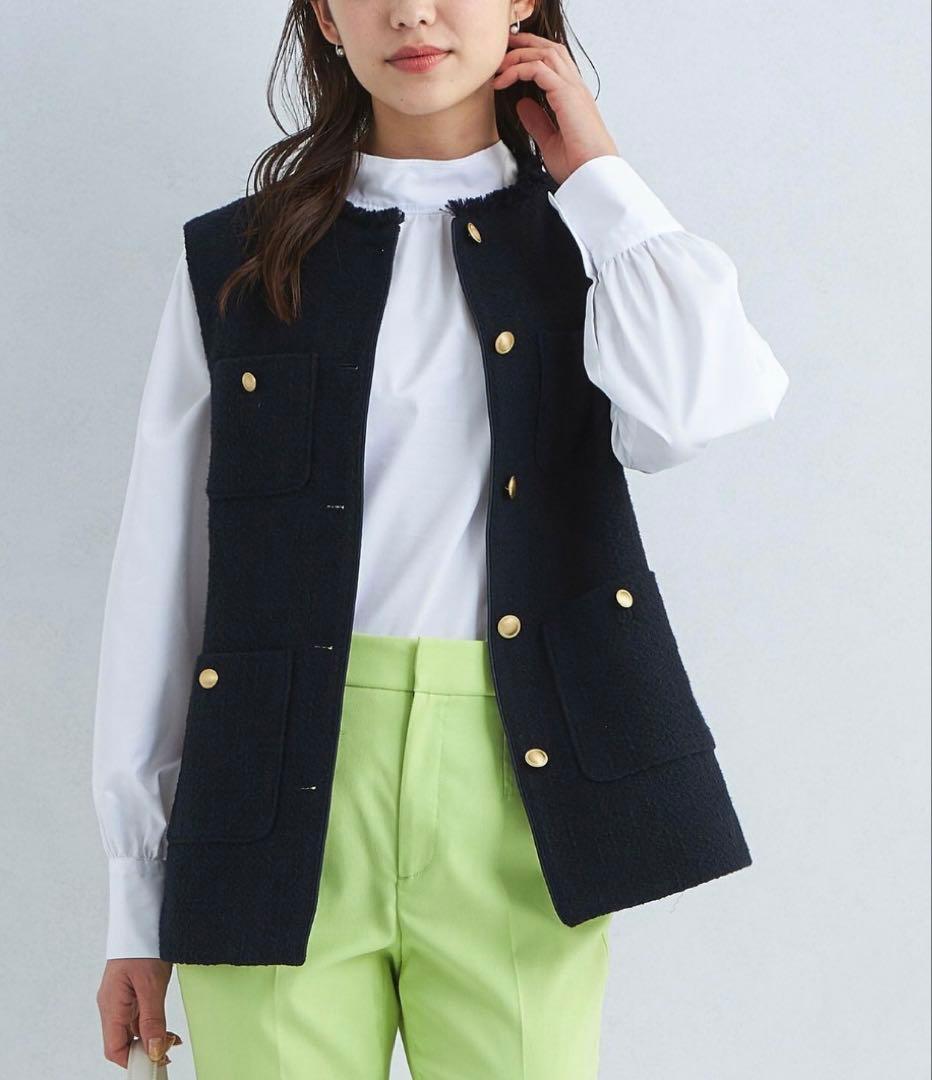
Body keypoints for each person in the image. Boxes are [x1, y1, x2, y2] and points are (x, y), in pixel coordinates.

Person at [93, 1, 789, 1076]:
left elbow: (700, 406)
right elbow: (163, 573)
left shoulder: (591, 245)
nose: (413, 11)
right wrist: (133, 900)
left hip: (517, 788)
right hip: (266, 792)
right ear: (326, 17)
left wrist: (598, 179)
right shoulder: (239, 259)